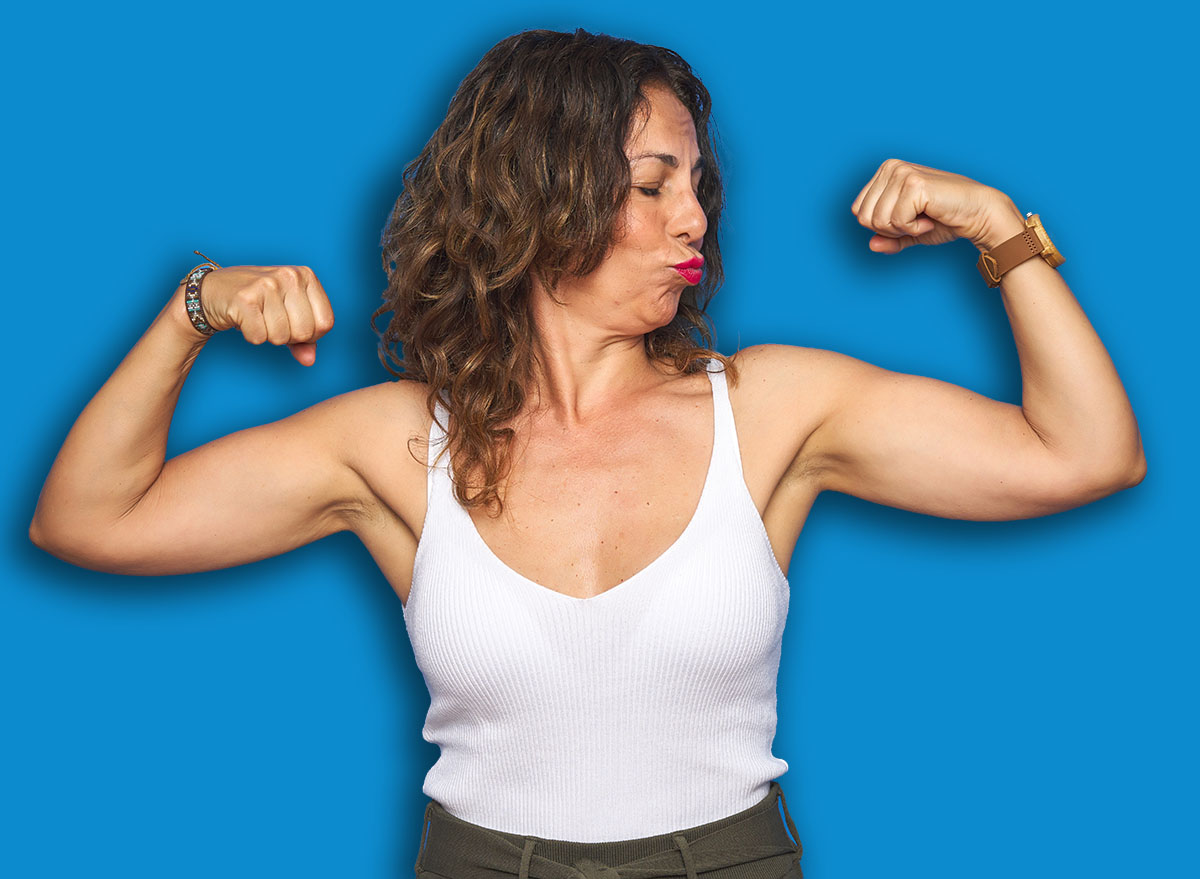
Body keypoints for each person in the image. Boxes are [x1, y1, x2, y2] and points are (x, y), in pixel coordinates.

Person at [28, 27, 1144, 879]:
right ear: (534, 194)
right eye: (653, 183)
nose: (694, 216)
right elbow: (89, 519)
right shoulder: (396, 441)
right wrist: (193, 310)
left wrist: (1002, 229)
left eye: (698, 183)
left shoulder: (772, 409)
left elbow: (1085, 454)